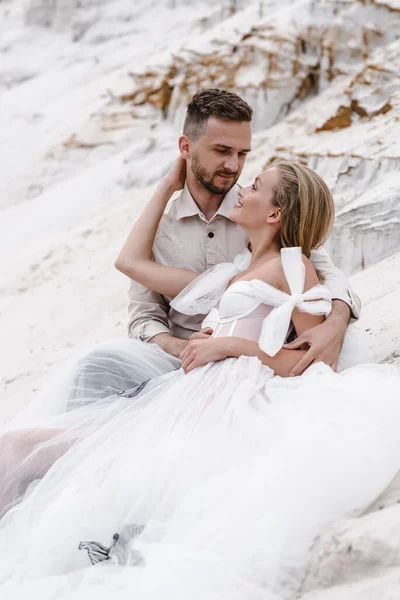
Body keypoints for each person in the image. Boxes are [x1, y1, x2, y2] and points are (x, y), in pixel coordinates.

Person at [0, 158, 399, 600]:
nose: (242, 189)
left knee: (76, 472)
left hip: (225, 404)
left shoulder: (294, 266)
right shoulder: (239, 269)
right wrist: (169, 186)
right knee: (20, 449)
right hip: (189, 395)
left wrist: (230, 346)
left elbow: (311, 364)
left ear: (275, 214)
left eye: (255, 186)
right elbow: (130, 262)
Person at [67, 88, 360, 411]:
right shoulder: (156, 231)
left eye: (242, 153)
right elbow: (143, 316)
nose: (233, 165)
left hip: (247, 372)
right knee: (93, 371)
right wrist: (180, 347)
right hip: (175, 363)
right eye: (222, 150)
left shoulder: (260, 217)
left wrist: (334, 326)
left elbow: (326, 277)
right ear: (186, 148)